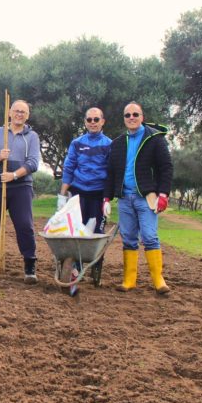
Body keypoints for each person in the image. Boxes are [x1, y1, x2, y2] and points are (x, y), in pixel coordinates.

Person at [103, 101, 174, 295]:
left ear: (142, 117)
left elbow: (166, 167)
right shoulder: (118, 143)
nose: (131, 118)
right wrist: (106, 198)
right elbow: (111, 173)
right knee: (128, 238)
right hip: (125, 198)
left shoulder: (154, 138)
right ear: (124, 119)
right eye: (127, 115)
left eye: (135, 114)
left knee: (150, 237)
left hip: (146, 197)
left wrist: (163, 194)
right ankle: (129, 280)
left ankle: (158, 280)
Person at [0, 99, 41, 283]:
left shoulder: (32, 136)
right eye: (16, 110)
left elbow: (33, 163)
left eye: (23, 112)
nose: (19, 114)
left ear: (27, 116)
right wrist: (0, 157)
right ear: (10, 112)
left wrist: (13, 175)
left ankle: (30, 267)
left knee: (25, 225)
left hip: (22, 186)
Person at [58, 107, 112, 232]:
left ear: (102, 121)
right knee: (75, 231)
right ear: (85, 122)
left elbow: (111, 173)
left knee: (96, 233)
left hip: (98, 194)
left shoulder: (109, 144)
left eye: (96, 119)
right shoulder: (76, 143)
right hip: (78, 194)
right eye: (89, 119)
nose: (92, 122)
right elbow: (69, 169)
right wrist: (62, 196)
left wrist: (107, 199)